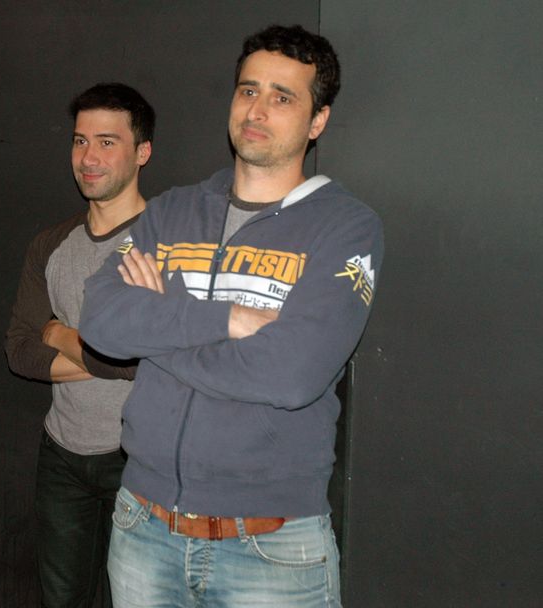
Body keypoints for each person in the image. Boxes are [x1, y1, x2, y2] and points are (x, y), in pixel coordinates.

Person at [80, 25, 384, 607]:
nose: (257, 110)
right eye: (248, 90)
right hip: (143, 527)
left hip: (270, 549)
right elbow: (100, 322)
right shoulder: (171, 212)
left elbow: (291, 375)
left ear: (317, 121)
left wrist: (158, 332)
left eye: (282, 97)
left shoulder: (346, 228)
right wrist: (228, 320)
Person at [4, 83, 155, 607]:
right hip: (62, 457)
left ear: (142, 152)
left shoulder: (168, 243)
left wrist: (58, 334)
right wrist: (114, 355)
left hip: (140, 459)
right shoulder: (51, 244)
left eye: (107, 142)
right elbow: (20, 350)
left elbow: (152, 359)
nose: (89, 157)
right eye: (80, 140)